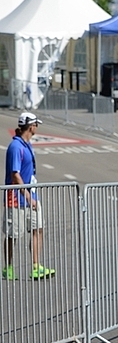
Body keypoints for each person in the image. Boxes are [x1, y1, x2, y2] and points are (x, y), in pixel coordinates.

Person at [3, 112, 55, 280]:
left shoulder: (26, 144)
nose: (37, 127)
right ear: (31, 126)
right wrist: (27, 196)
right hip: (17, 198)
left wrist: (32, 197)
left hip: (31, 196)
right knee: (13, 234)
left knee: (38, 228)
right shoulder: (16, 147)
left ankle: (35, 266)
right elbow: (15, 175)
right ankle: (8, 267)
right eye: (36, 124)